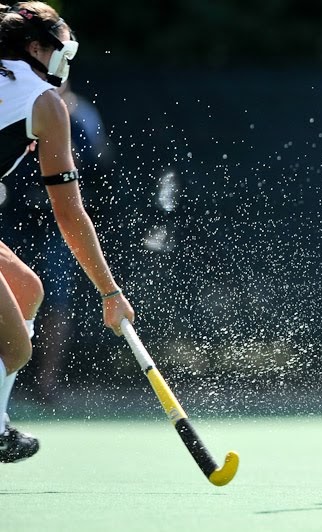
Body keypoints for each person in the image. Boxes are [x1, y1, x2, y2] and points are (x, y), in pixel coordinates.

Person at [0, 2, 134, 462]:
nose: (66, 61)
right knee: (15, 350)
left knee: (25, 288)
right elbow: (70, 213)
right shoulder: (44, 103)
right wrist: (109, 291)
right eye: (63, 49)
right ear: (35, 48)